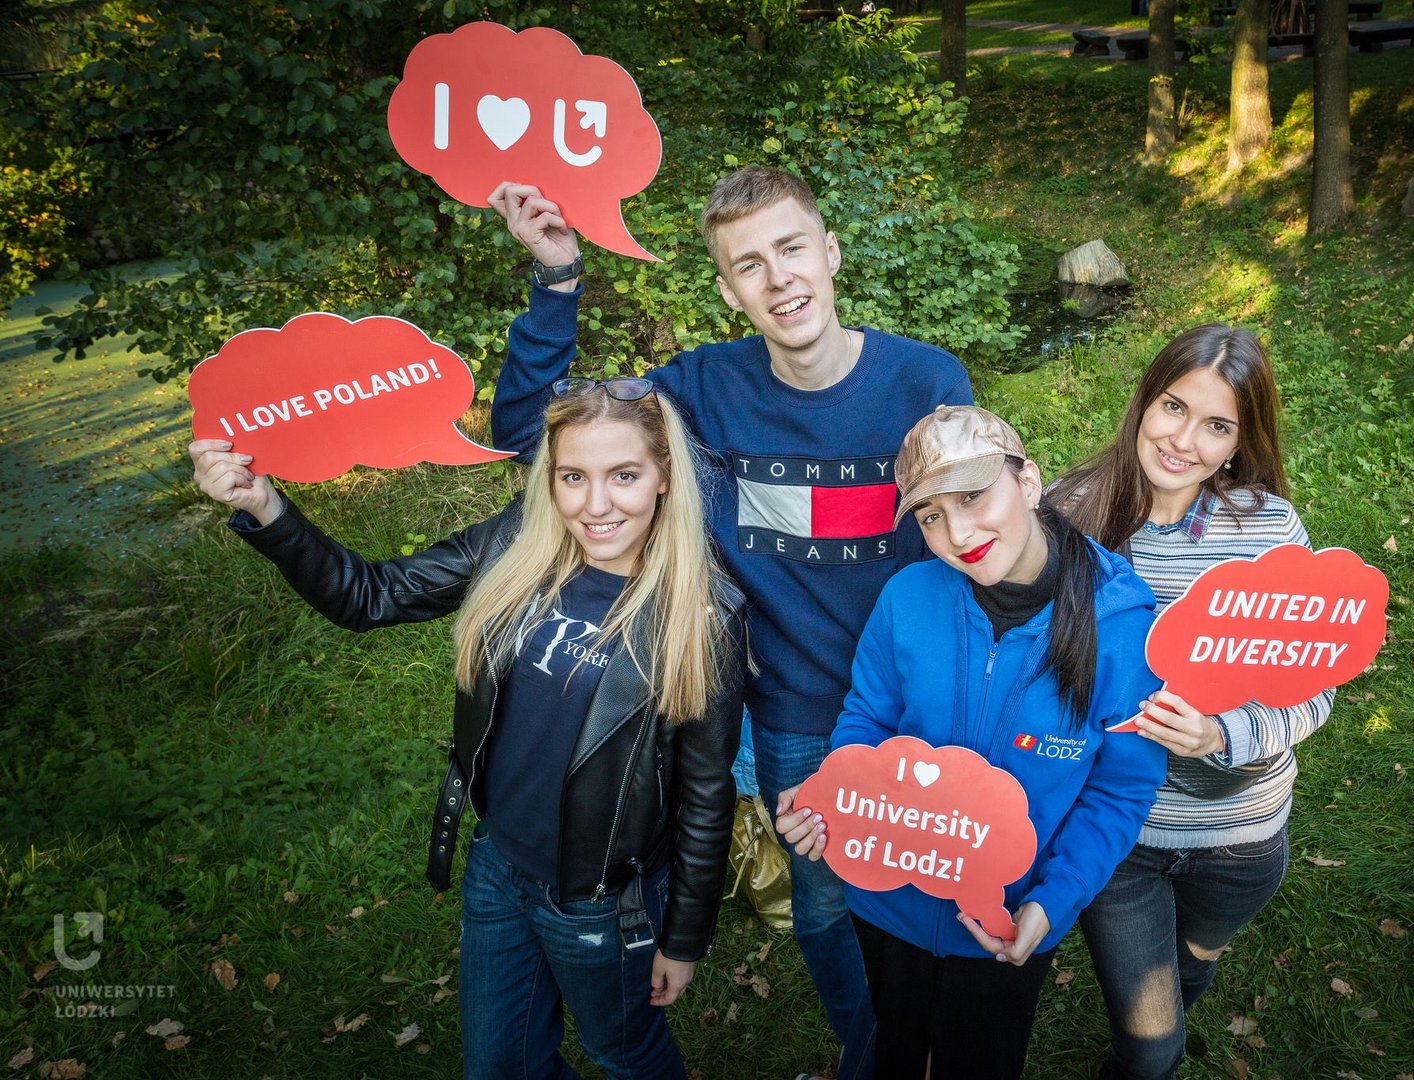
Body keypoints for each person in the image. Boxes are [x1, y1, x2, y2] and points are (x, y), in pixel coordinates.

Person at [486, 165, 972, 1078]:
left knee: (930, 896)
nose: (779, 277)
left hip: (919, 703)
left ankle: (928, 1039)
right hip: (790, 717)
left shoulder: (926, 379)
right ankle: (876, 1058)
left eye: (792, 249)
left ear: (828, 253)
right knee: (825, 913)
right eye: (749, 264)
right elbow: (530, 433)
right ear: (727, 289)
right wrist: (556, 282)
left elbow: (982, 529)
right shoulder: (701, 388)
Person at [188, 378, 745, 1080]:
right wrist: (264, 508)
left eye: (624, 476)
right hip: (499, 867)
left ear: (664, 475)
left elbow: (704, 791)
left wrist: (685, 938)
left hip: (602, 902)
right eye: (573, 477)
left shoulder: (703, 614)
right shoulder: (518, 542)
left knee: (623, 1052)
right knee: (498, 1067)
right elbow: (371, 596)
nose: (596, 505)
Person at [776, 405, 1167, 1079]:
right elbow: (868, 719)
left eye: (973, 496)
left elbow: (1119, 788)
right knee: (894, 1044)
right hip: (887, 899)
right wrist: (831, 798)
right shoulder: (907, 599)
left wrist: (1052, 902)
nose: (957, 533)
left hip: (1007, 919)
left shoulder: (1124, 628)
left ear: (1030, 481)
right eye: (930, 516)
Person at [1045, 325, 1336, 1080]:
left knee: (1190, 970)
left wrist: (1224, 734)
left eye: (1216, 426)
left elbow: (1316, 687)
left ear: (1240, 443)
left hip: (1240, 839)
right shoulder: (1067, 516)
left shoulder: (1268, 531)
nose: (1183, 441)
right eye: (1173, 407)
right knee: (1152, 1051)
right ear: (1145, 399)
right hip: (1119, 837)